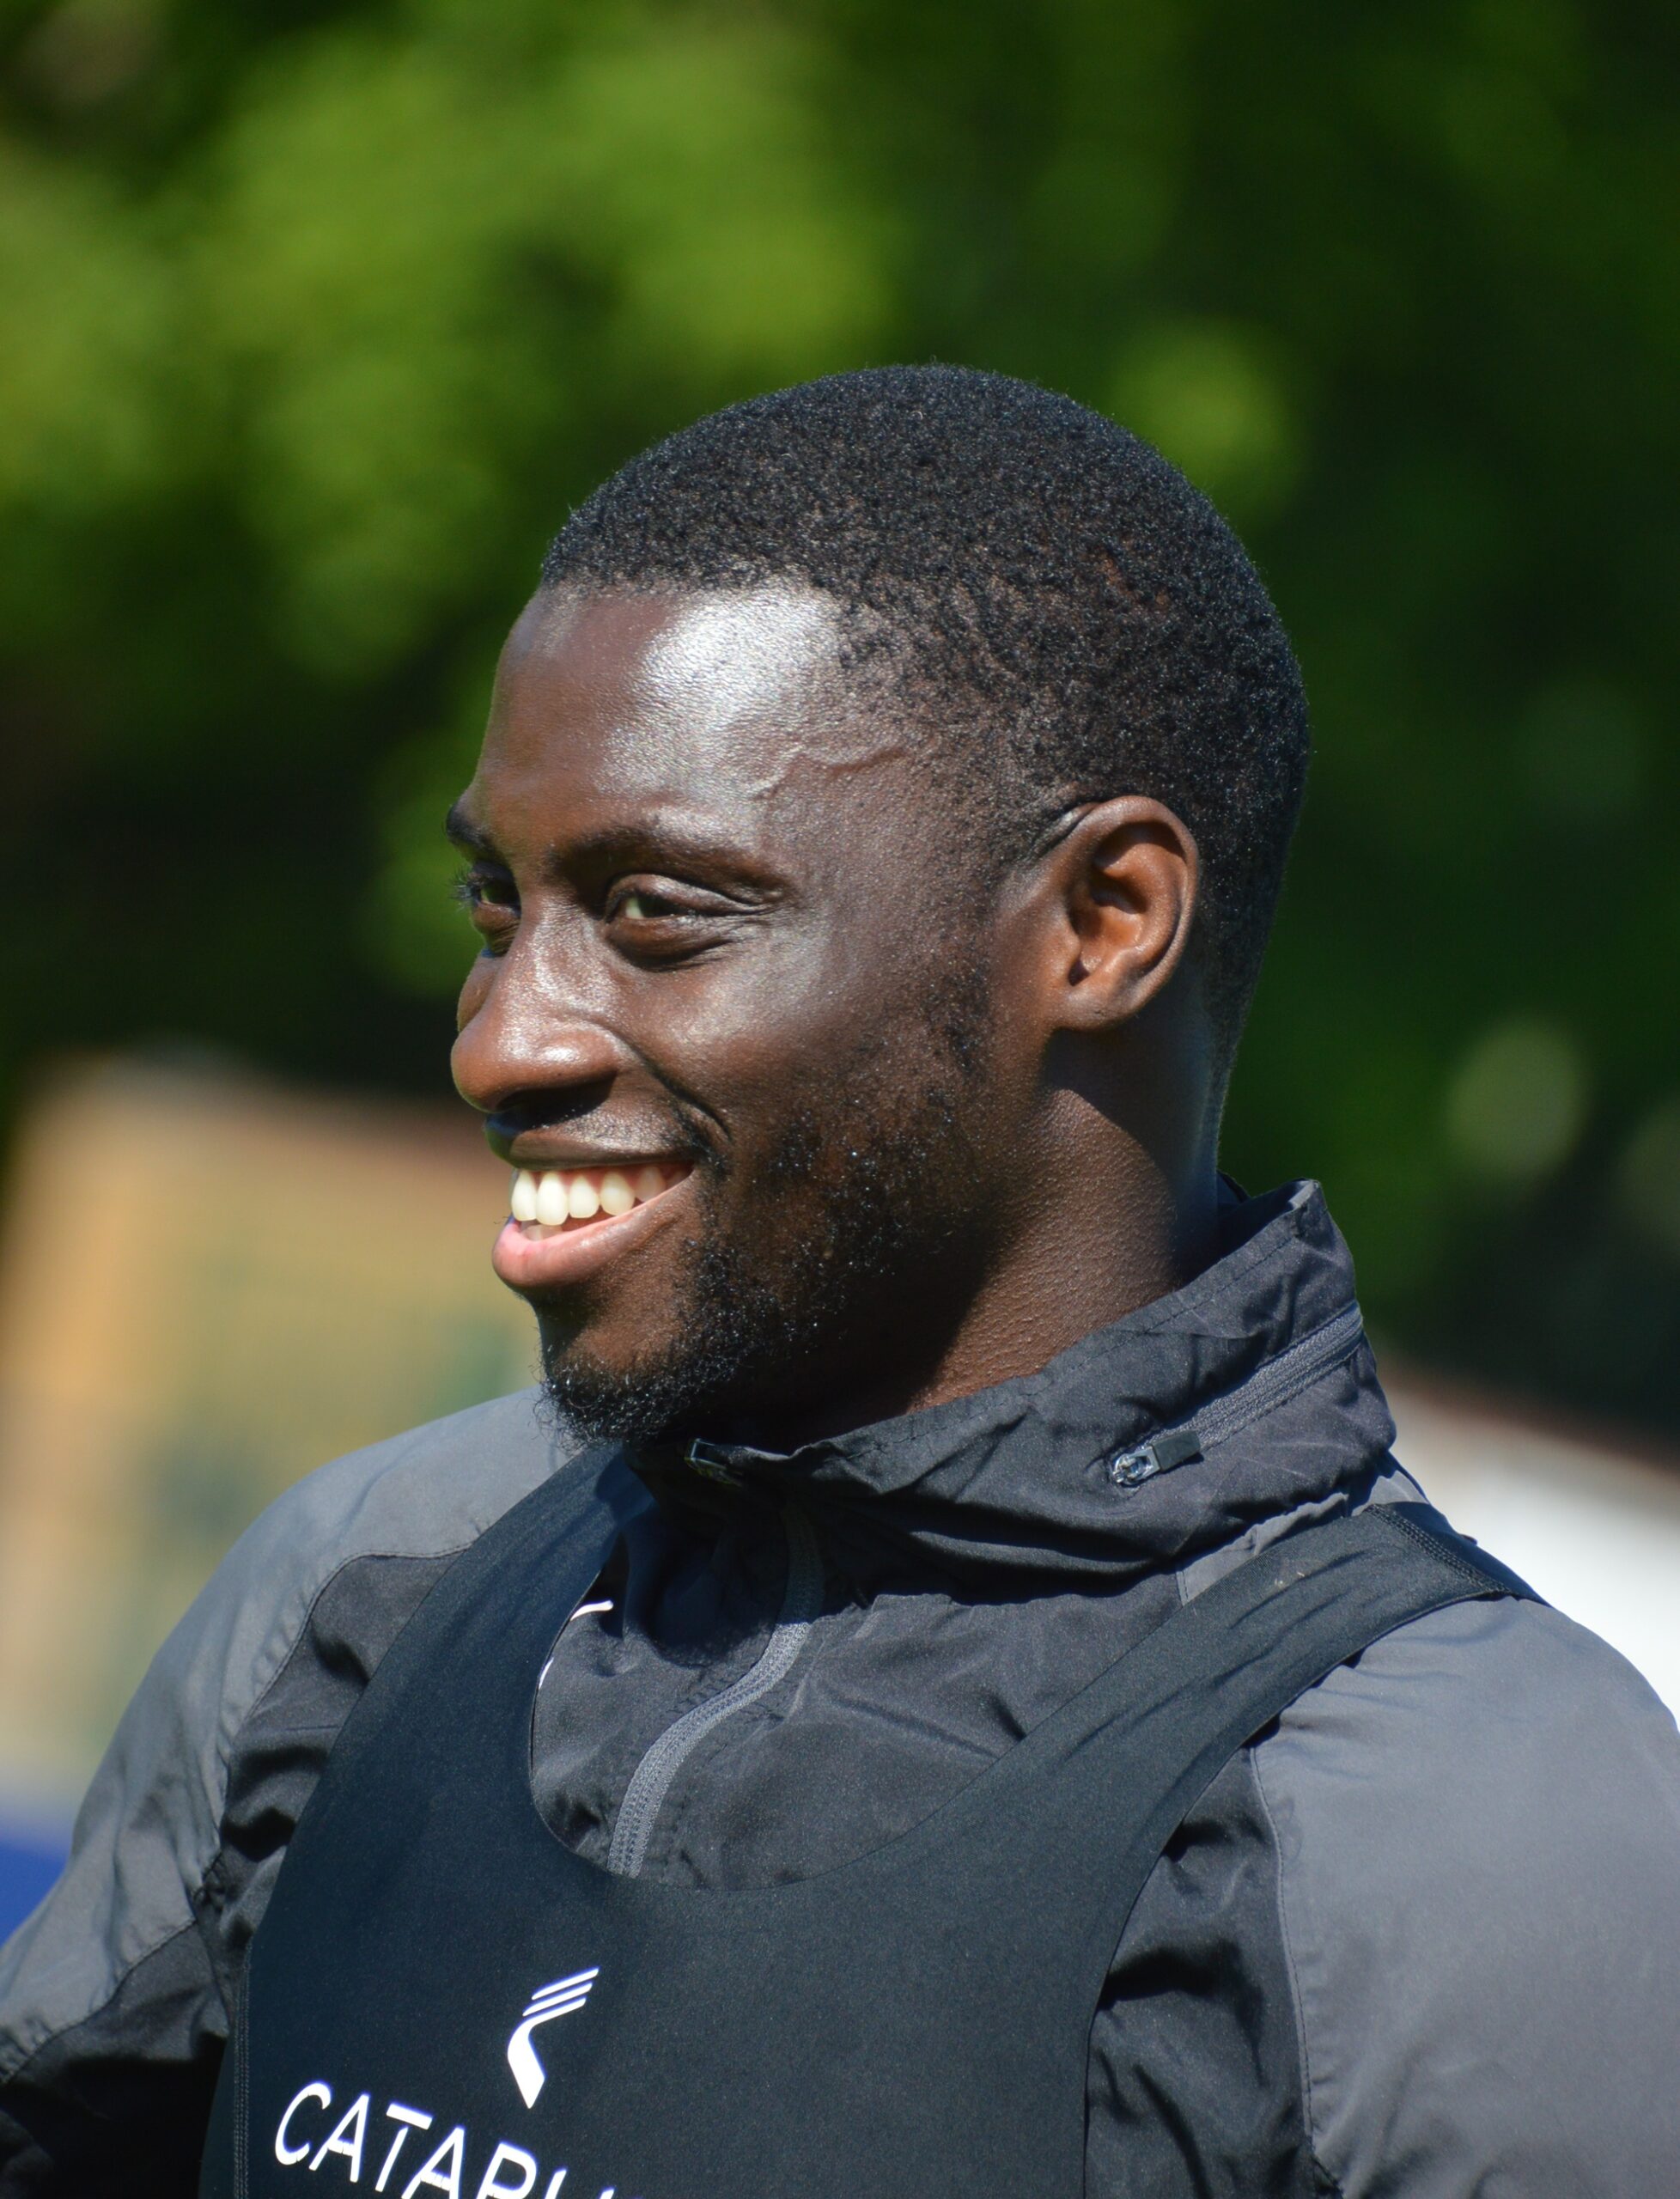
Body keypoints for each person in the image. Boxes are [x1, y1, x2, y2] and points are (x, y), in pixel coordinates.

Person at [2, 366, 1677, 2198]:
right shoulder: (372, 1586)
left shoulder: (1475, 1844)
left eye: (657, 914)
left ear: (1105, 922)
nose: (500, 1041)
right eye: (499, 907)